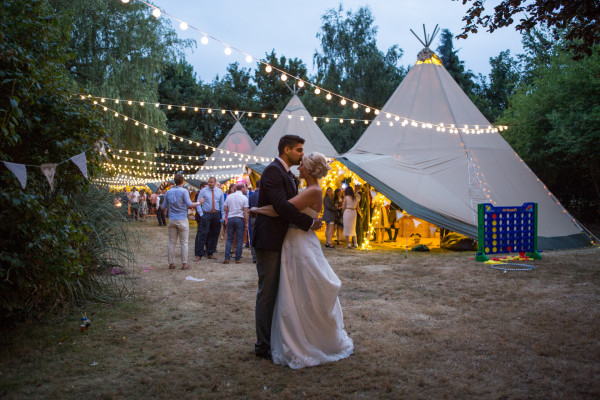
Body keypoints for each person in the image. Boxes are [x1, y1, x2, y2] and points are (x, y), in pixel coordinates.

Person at [251, 152, 353, 369]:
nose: (299, 168)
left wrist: (256, 209)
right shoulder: (309, 188)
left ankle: (304, 337)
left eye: (303, 166)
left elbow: (281, 209)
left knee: (301, 289)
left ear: (310, 169)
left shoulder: (313, 190)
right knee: (297, 289)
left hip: (299, 242)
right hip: (297, 240)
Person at [251, 135, 320, 361]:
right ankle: (263, 345)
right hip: (269, 240)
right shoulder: (272, 171)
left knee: (280, 291)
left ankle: (278, 338)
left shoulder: (288, 174)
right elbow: (281, 207)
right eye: (299, 150)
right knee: (268, 291)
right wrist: (308, 223)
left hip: (284, 240)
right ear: (286, 149)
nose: (302, 154)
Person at [160, 174, 201, 270]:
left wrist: (166, 212)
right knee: (184, 242)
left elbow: (163, 206)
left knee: (171, 242)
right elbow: (190, 204)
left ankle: (171, 264)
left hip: (172, 219)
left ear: (175, 181)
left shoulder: (168, 192)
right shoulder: (184, 191)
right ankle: (184, 264)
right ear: (183, 181)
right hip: (182, 219)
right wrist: (199, 202)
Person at [196, 177, 225, 260]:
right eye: (209, 182)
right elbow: (198, 203)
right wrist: (201, 214)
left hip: (216, 214)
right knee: (203, 234)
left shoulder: (219, 191)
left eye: (211, 182)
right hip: (206, 214)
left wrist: (223, 215)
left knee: (215, 234)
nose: (209, 183)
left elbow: (222, 204)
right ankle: (199, 254)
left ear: (215, 182)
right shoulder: (203, 191)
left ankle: (210, 252)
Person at [223, 183, 249, 264]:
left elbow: (225, 208)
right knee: (239, 239)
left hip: (230, 218)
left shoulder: (229, 196)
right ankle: (237, 258)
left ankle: (227, 258)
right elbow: (246, 212)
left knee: (229, 239)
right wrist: (247, 223)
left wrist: (231, 210)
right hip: (239, 219)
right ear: (242, 188)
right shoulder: (244, 198)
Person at [193, 181, 208, 262]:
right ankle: (198, 251)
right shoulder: (199, 193)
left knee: (200, 233)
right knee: (200, 233)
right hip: (200, 216)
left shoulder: (201, 193)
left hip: (200, 216)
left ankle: (200, 250)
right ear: (201, 187)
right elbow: (198, 205)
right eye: (205, 186)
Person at [248, 179, 260, 263]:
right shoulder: (263, 195)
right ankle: (259, 256)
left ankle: (254, 257)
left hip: (252, 218)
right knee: (261, 237)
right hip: (261, 218)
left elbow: (248, 207)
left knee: (253, 237)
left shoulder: (251, 195)